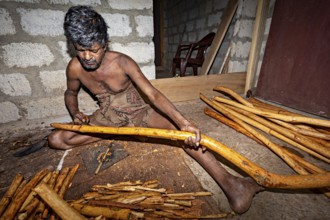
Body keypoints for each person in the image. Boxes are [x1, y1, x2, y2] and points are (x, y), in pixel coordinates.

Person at [48, 5, 262, 214]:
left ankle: (233, 185)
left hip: (140, 113)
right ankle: (118, 134)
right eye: (80, 50)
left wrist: (183, 121)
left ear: (104, 43)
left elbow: (153, 95)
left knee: (185, 134)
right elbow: (70, 93)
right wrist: (75, 111)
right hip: (108, 117)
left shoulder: (123, 62)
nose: (87, 57)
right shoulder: (75, 67)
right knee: (56, 140)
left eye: (93, 49)